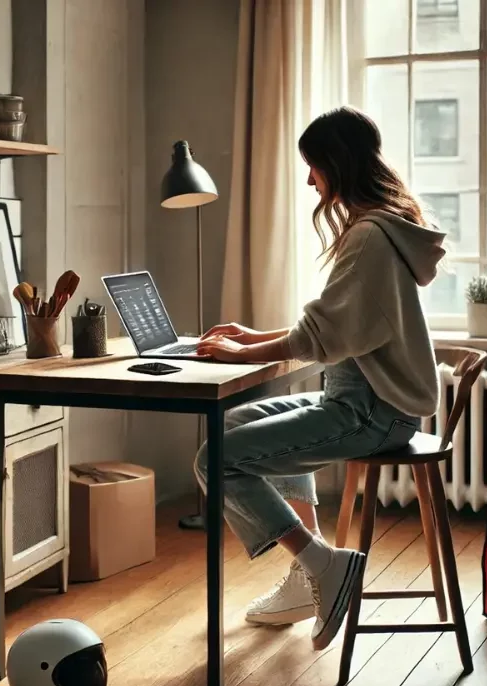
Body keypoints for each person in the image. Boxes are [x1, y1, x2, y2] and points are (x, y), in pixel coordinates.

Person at [193, 105, 445, 652]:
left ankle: (321, 565)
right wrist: (252, 336)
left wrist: (240, 354)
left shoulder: (370, 238)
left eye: (313, 166)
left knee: (213, 460)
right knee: (234, 423)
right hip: (365, 401)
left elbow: (320, 333)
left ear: (337, 162)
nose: (310, 179)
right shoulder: (376, 229)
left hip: (372, 412)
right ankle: (305, 575)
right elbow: (332, 326)